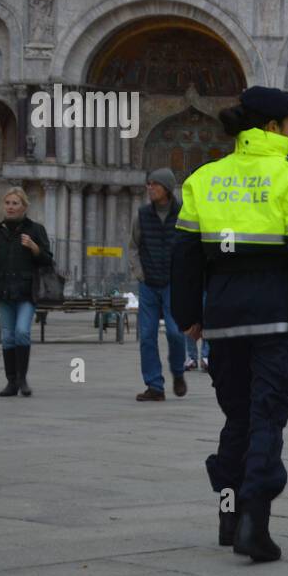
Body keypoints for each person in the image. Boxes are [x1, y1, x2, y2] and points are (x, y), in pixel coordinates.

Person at [171, 87, 288, 563]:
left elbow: (184, 258)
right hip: (278, 320)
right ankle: (254, 524)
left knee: (238, 418)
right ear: (272, 128)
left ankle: (229, 514)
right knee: (267, 419)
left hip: (225, 321)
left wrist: (190, 314)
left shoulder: (204, 179)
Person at [0, 187, 54, 398]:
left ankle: (23, 379)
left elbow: (48, 259)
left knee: (22, 332)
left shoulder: (35, 230)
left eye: (15, 203)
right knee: (7, 337)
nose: (10, 207)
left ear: (24, 207)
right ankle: (11, 381)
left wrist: (34, 248)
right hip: (4, 290)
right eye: (7, 203)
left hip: (26, 290)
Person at [129, 167, 188, 402]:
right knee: (147, 335)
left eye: (154, 184)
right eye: (148, 183)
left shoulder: (184, 214)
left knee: (175, 332)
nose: (149, 188)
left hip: (174, 284)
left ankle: (178, 372)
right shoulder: (142, 214)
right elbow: (133, 247)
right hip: (149, 284)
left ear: (167, 188)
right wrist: (140, 273)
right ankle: (154, 385)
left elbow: (191, 247)